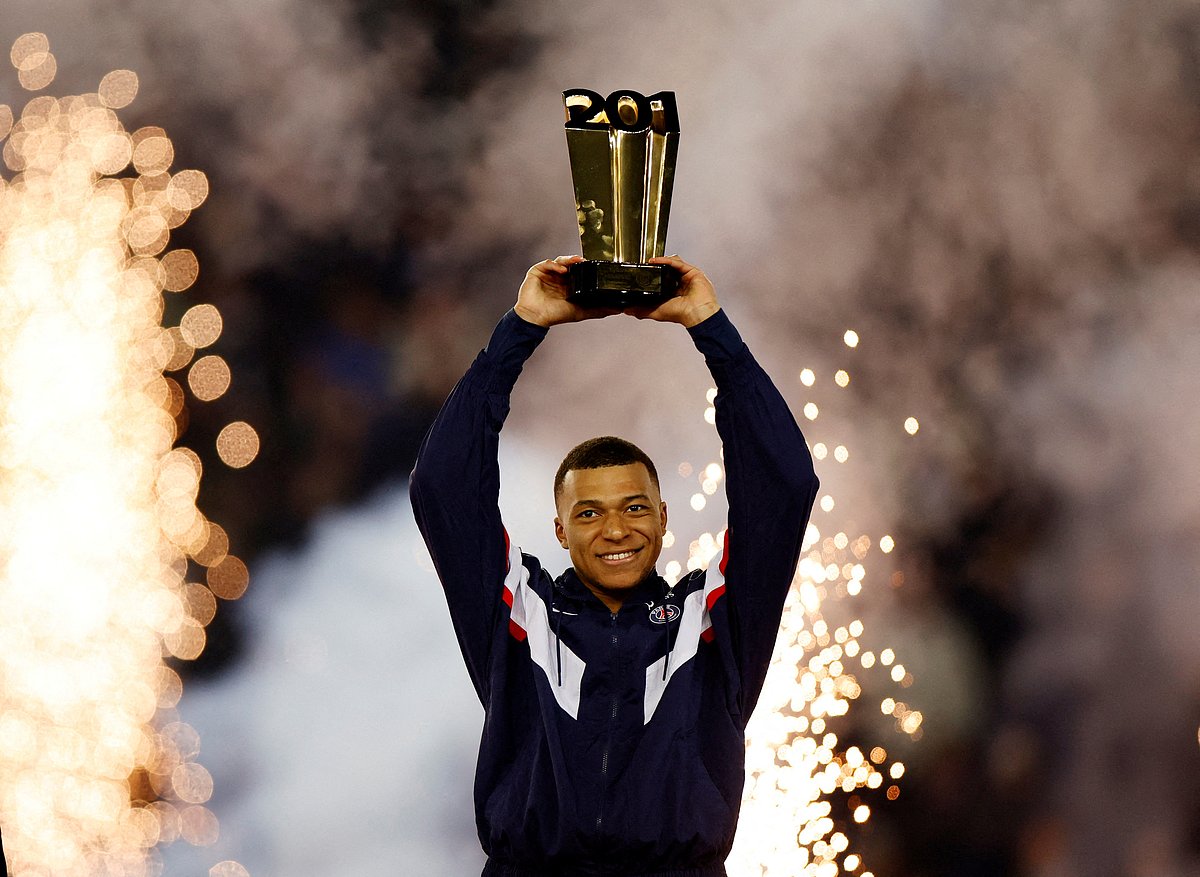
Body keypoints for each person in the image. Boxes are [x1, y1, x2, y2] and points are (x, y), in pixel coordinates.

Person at [410, 254, 819, 876]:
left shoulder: (713, 622)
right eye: (589, 514)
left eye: (633, 508)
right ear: (559, 530)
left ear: (662, 518)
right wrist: (520, 329)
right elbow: (444, 489)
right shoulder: (518, 613)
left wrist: (714, 333)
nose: (616, 530)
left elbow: (783, 487)